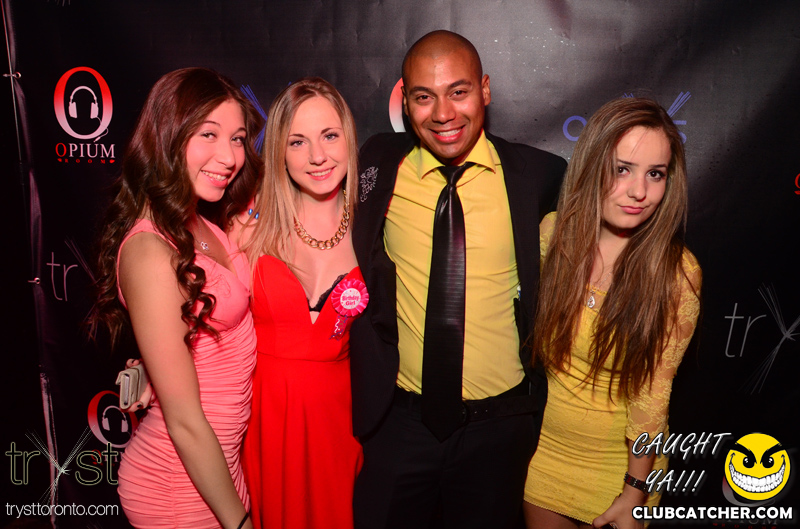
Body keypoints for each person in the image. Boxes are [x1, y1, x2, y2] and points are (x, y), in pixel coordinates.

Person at [350, 30, 567, 528]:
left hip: (500, 431)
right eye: (424, 97)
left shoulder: (538, 175)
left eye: (459, 91)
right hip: (399, 424)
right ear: (406, 103)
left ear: (485, 90)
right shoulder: (378, 162)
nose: (443, 113)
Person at [90, 67, 262, 529]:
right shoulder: (150, 252)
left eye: (238, 139)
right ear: (167, 135)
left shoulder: (203, 222)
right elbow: (184, 422)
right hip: (176, 483)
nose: (229, 156)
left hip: (219, 470)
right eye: (209, 134)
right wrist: (240, 524)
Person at [522, 97, 702, 529]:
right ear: (592, 166)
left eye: (655, 174)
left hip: (623, 472)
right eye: (623, 169)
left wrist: (634, 492)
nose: (640, 191)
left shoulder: (676, 273)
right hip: (544, 459)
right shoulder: (552, 237)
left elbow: (652, 396)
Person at [240, 77, 364, 529]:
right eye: (297, 142)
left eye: (329, 136)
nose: (317, 156)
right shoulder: (247, 227)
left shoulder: (375, 231)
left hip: (341, 424)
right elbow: (201, 310)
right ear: (279, 152)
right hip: (265, 422)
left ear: (348, 139)